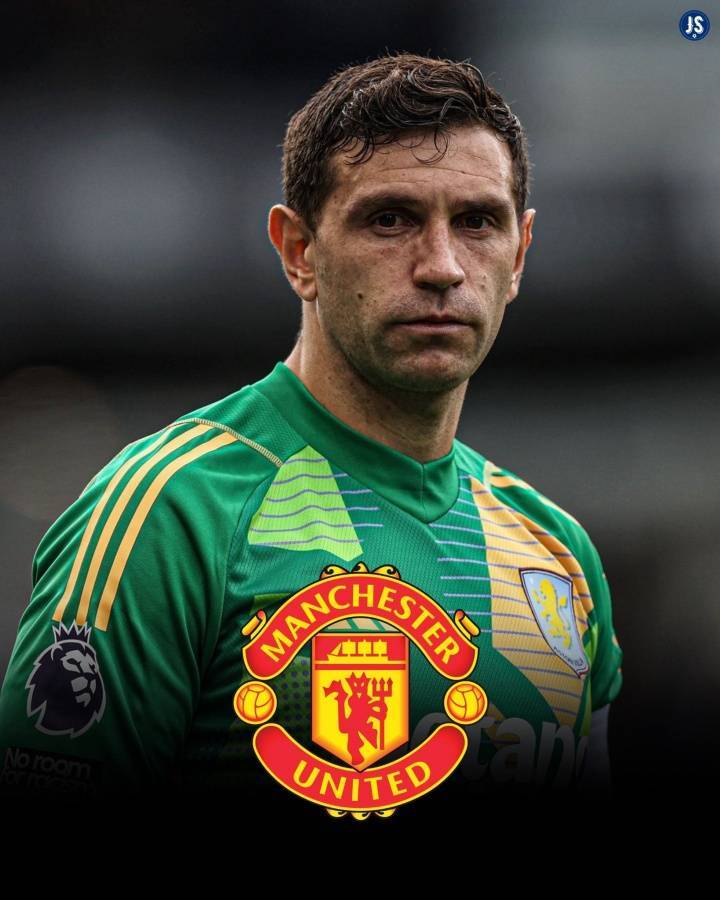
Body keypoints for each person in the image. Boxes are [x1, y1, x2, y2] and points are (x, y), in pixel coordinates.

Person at [0, 52, 622, 817]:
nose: (442, 266)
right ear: (299, 252)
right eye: (389, 219)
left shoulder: (557, 553)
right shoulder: (170, 511)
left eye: (477, 222)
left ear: (519, 254)